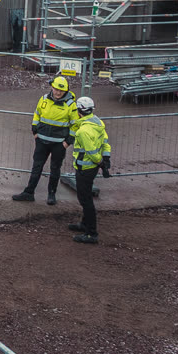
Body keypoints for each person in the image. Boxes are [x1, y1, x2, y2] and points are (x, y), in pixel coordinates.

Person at [12, 76, 80, 205]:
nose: (58, 92)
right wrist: (35, 130)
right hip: (41, 141)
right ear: (52, 87)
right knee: (36, 167)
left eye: (61, 90)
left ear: (65, 91)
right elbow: (37, 113)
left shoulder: (70, 105)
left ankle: (51, 194)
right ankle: (29, 193)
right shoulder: (44, 99)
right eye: (56, 89)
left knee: (55, 169)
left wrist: (67, 142)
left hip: (59, 144)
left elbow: (75, 125)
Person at [67, 96, 112, 244]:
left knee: (85, 200)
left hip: (85, 167)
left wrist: (100, 162)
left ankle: (91, 233)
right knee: (86, 198)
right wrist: (106, 159)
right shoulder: (98, 122)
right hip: (91, 168)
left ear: (79, 111)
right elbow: (105, 142)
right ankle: (85, 224)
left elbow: (91, 152)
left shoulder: (83, 131)